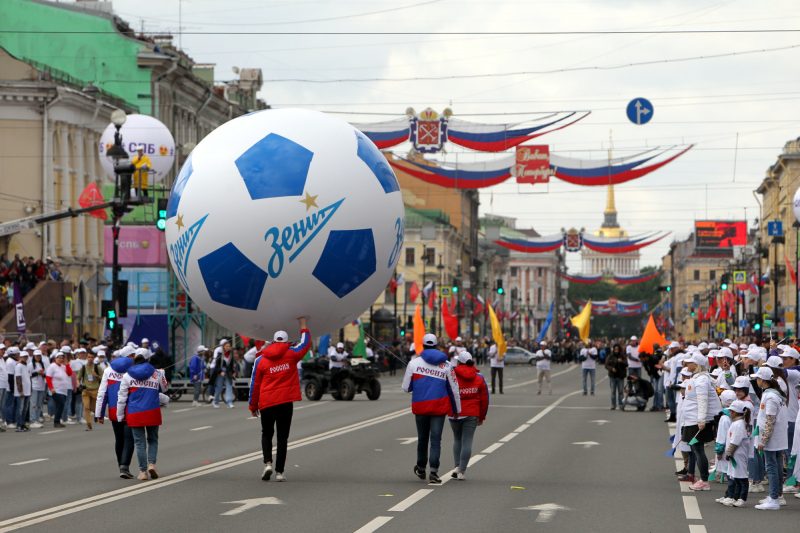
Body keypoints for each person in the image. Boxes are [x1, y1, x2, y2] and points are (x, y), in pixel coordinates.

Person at [249, 318, 311, 482]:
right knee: (282, 438)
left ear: (273, 341)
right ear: (286, 341)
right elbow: (305, 345)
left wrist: (252, 405)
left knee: (266, 434)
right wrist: (303, 326)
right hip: (285, 403)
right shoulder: (292, 354)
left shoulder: (260, 360)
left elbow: (255, 385)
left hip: (266, 403)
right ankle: (279, 472)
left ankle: (267, 463)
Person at [402, 333, 461, 485]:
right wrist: (457, 409)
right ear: (436, 345)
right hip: (439, 409)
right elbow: (454, 389)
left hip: (421, 407)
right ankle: (433, 472)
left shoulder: (414, 363)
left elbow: (406, 388)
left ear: (423, 345)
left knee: (422, 439)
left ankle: (421, 467)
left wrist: (418, 382)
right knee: (436, 440)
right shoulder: (447, 365)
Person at [117, 348, 169, 481]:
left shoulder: (127, 375)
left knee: (139, 443)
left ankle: (143, 471)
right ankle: (152, 464)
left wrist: (120, 415)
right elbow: (165, 388)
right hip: (152, 410)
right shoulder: (157, 373)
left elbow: (122, 397)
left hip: (135, 412)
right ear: (148, 359)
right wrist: (162, 375)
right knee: (153, 440)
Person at [682, 352, 722, 492]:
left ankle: (704, 480)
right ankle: (703, 479)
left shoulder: (702, 380)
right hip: (692, 419)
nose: (687, 364)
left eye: (690, 362)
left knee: (698, 449)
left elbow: (702, 400)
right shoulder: (698, 378)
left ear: (697, 364)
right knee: (696, 449)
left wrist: (701, 419)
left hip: (697, 420)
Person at [96, 346, 136, 479]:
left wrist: (99, 414)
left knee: (119, 439)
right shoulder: (134, 370)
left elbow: (102, 393)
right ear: (130, 356)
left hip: (113, 410)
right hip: (130, 409)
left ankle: (121, 466)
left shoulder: (108, 370)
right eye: (133, 354)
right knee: (129, 439)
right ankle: (125, 466)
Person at [752, 366, 789, 511]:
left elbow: (770, 420)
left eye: (758, 379)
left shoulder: (771, 396)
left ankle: (774, 499)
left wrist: (763, 440)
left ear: (763, 380)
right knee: (777, 466)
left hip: (772, 438)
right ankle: (776, 495)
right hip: (777, 437)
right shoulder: (774, 394)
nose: (757, 381)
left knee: (772, 467)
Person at [448, 351, 489, 480]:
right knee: (467, 441)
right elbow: (485, 399)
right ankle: (461, 471)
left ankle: (457, 466)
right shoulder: (479, 377)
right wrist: (482, 417)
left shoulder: (452, 375)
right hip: (472, 413)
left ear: (459, 362)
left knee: (457, 439)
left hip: (454, 413)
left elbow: (446, 393)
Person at [718, 399, 753, 507]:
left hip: (738, 454)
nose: (730, 413)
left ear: (735, 412)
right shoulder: (737, 423)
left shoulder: (739, 424)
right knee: (735, 477)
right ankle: (735, 497)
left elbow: (735, 442)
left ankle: (742, 498)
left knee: (741, 477)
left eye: (731, 411)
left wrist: (729, 453)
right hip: (735, 455)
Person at [45, 352, 72, 428]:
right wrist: (51, 388)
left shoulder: (63, 366)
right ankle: (56, 421)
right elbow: (48, 378)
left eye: (62, 358)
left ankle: (57, 421)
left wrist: (67, 364)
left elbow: (69, 373)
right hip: (56, 390)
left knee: (60, 406)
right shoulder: (52, 366)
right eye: (59, 357)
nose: (61, 359)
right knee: (61, 404)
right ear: (55, 358)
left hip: (63, 390)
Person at [77, 352, 102, 431]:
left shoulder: (98, 368)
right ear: (86, 358)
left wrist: (97, 376)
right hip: (86, 390)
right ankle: (89, 424)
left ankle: (96, 414)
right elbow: (78, 378)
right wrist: (79, 385)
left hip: (95, 390)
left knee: (93, 408)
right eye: (88, 357)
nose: (90, 359)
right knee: (86, 407)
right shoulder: (83, 367)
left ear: (94, 358)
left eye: (91, 357)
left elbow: (104, 379)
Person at [210, 339, 236, 409]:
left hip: (228, 372)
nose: (228, 347)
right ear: (223, 347)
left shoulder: (231, 354)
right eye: (226, 346)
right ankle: (215, 401)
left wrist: (233, 372)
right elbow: (217, 365)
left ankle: (229, 402)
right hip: (220, 372)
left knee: (229, 386)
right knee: (219, 387)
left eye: (229, 346)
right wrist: (220, 371)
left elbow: (231, 364)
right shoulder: (220, 354)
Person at [605, 344, 627, 410]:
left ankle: (621, 405)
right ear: (613, 349)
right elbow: (606, 365)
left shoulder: (622, 356)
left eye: (617, 349)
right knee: (613, 391)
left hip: (620, 376)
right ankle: (613, 405)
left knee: (620, 391)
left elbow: (626, 364)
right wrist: (611, 368)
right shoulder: (610, 356)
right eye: (615, 349)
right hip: (612, 376)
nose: (616, 350)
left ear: (619, 349)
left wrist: (622, 361)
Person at [14, 349, 32, 432]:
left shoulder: (27, 365)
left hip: (27, 391)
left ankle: (22, 423)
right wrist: (20, 391)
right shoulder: (19, 366)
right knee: (20, 409)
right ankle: (18, 425)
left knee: (25, 409)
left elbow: (28, 378)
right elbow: (18, 379)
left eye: (26, 357)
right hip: (21, 392)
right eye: (23, 357)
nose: (25, 358)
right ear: (20, 357)